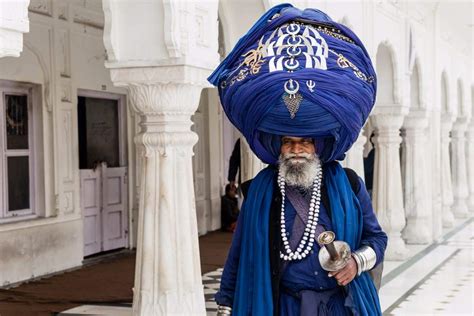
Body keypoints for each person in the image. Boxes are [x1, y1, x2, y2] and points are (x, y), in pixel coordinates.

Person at [208, 4, 387, 315]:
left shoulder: (349, 184)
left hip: (338, 305)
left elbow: (377, 238)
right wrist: (226, 303)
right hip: (283, 305)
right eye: (289, 142)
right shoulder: (259, 189)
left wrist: (357, 262)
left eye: (305, 141)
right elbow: (240, 252)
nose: (296, 149)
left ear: (317, 146)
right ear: (279, 147)